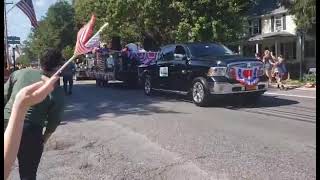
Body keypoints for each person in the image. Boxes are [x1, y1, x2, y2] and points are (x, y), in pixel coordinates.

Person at [4, 48, 65, 180]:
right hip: (31, 131)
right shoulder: (56, 89)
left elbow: (4, 96)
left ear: (40, 61)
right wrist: (44, 138)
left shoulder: (19, 73)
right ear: (59, 66)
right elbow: (54, 120)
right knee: (28, 174)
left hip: (6, 122)